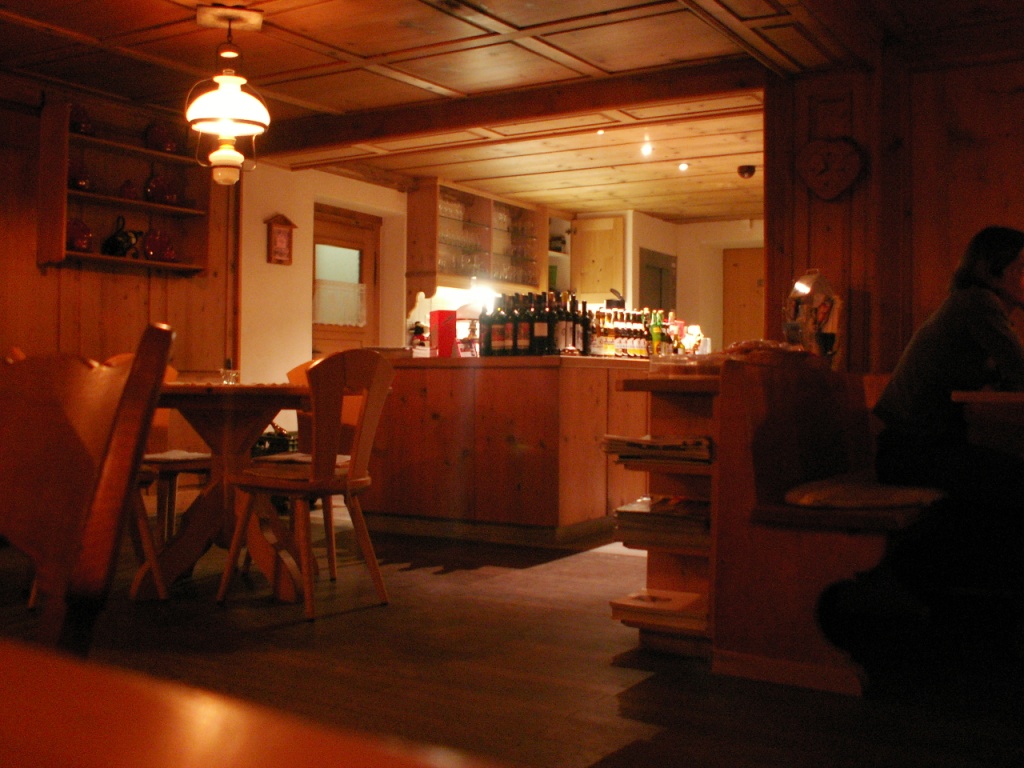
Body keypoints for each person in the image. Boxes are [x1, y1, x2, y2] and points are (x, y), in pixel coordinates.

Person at [820, 226, 1024, 688]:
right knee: (1011, 484)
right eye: (1021, 268)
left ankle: (968, 612)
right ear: (991, 269)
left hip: (915, 448)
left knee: (997, 489)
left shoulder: (976, 305)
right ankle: (982, 619)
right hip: (910, 452)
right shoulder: (978, 303)